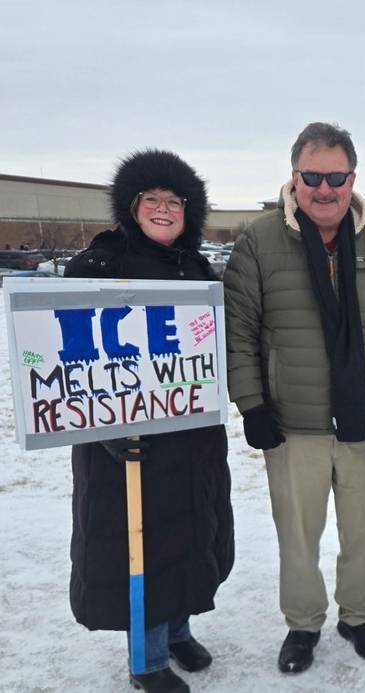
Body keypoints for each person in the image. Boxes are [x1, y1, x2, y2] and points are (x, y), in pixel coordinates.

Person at [224, 122, 365, 675]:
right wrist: (253, 405)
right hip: (293, 424)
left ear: (353, 179)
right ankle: (303, 623)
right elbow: (240, 329)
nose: (324, 189)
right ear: (294, 177)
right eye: (313, 176)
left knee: (364, 532)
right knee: (297, 537)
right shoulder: (260, 240)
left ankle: (357, 616)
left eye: (336, 177)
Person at [64, 150, 235, 693]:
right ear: (131, 206)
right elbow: (70, 363)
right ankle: (148, 657)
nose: (163, 209)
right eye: (152, 199)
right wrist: (104, 427)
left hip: (189, 438)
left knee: (188, 535)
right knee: (143, 544)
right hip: (126, 443)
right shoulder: (99, 264)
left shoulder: (197, 268)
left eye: (174, 201)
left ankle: (178, 628)